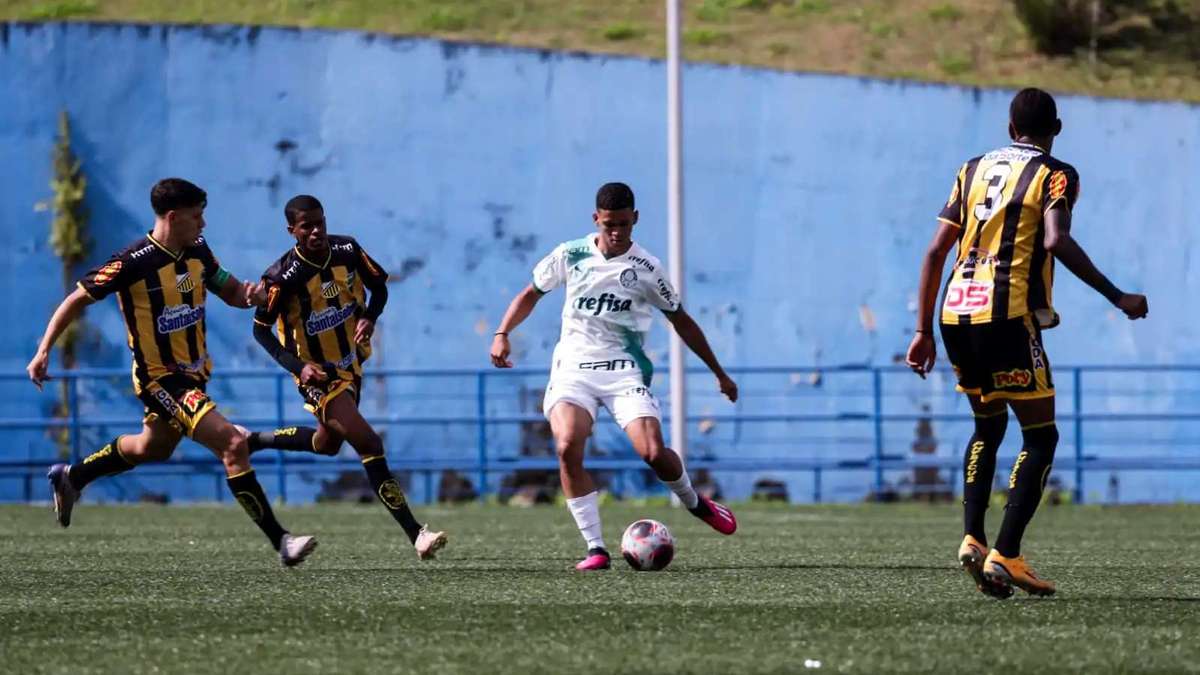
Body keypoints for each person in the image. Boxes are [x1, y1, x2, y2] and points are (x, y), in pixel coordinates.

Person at [905, 88, 1148, 598]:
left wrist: (923, 330)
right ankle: (1007, 555)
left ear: (1009, 128)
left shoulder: (970, 170)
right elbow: (1056, 240)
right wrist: (1117, 295)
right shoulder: (1056, 173)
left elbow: (933, 253)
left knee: (986, 426)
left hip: (954, 316)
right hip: (1007, 317)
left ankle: (973, 537)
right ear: (1055, 129)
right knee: (1040, 437)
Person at [29, 178, 317, 567]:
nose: (203, 224)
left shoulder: (197, 251)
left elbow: (228, 290)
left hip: (195, 374)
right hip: (161, 379)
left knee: (154, 447)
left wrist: (251, 294)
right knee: (231, 444)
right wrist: (44, 350)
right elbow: (77, 298)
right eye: (197, 217)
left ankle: (73, 477)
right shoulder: (133, 262)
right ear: (173, 216)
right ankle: (282, 541)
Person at [490, 182, 739, 571]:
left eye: (624, 224)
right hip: (573, 369)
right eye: (609, 225)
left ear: (635, 219)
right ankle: (596, 549)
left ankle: (695, 502)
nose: (617, 232)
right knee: (568, 444)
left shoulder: (647, 269)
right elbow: (530, 294)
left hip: (624, 371)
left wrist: (719, 373)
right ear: (596, 220)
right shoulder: (570, 254)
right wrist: (503, 332)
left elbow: (683, 322)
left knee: (653, 453)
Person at [247, 194, 447, 560]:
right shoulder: (281, 278)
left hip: (350, 364)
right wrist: (299, 367)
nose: (316, 231)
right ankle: (416, 533)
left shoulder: (347, 249)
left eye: (319, 222)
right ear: (291, 230)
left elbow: (380, 286)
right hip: (317, 375)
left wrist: (370, 317)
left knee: (328, 443)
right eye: (306, 226)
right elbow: (260, 331)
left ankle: (253, 440)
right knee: (369, 443)